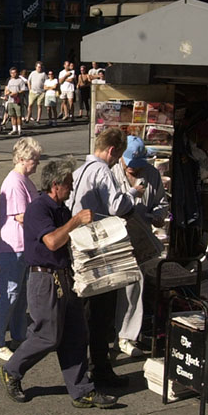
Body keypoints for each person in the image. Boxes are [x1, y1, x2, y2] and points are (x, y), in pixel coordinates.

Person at [0, 158, 115, 409]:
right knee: (47, 335)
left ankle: (82, 389)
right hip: (44, 278)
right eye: (68, 184)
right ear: (55, 184)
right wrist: (74, 222)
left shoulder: (61, 208)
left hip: (65, 276)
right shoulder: (39, 208)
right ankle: (12, 369)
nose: (71, 189)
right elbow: (51, 241)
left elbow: (67, 240)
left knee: (76, 334)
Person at [67, 127, 133, 388]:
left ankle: (88, 365)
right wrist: (132, 197)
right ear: (112, 150)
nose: (117, 161)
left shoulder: (79, 170)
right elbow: (117, 206)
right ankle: (100, 369)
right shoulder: (102, 171)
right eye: (117, 157)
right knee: (101, 312)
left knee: (87, 311)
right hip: (98, 249)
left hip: (79, 247)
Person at [111, 135, 168, 358]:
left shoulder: (152, 174)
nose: (134, 170)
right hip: (117, 238)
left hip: (140, 238)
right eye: (130, 165)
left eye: (138, 166)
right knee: (112, 289)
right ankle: (110, 332)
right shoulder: (113, 173)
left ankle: (125, 336)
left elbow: (162, 203)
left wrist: (159, 216)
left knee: (135, 285)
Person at [0, 137, 41, 361]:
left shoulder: (23, 179)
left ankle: (19, 336)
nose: (37, 164)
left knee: (20, 296)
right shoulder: (14, 182)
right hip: (15, 246)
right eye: (34, 160)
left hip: (23, 245)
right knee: (10, 294)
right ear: (22, 159)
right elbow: (23, 216)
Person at [5, 67, 27, 135]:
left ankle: (19, 129)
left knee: (19, 116)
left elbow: (23, 90)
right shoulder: (10, 81)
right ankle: (14, 129)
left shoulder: (20, 81)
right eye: (11, 73)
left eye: (14, 72)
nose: (13, 74)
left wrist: (17, 93)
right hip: (10, 101)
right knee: (12, 116)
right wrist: (7, 93)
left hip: (18, 101)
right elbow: (7, 89)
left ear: (17, 73)